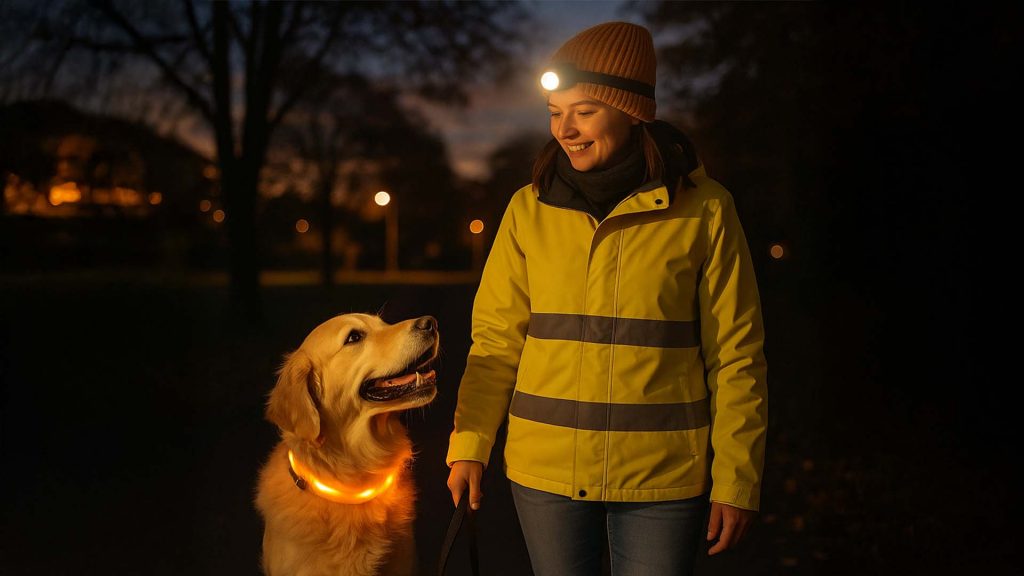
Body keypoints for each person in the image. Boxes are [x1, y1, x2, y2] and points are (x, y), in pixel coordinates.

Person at [446, 21, 768, 576]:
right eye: (554, 111)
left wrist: (737, 479)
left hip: (662, 480)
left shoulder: (706, 210)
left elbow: (737, 356)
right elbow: (496, 341)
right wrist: (469, 442)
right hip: (544, 473)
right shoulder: (528, 210)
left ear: (632, 111)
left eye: (585, 110)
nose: (565, 129)